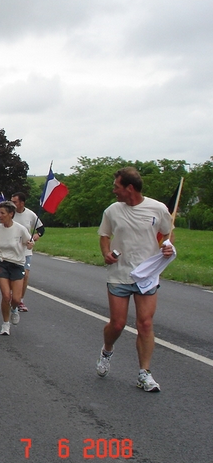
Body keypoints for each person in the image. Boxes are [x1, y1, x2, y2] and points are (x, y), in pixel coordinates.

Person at [96, 167, 173, 392]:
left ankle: (144, 373)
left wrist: (167, 246)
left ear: (129, 188)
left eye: (116, 187)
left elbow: (168, 233)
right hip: (119, 274)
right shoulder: (112, 211)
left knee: (145, 323)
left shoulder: (158, 208)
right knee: (118, 324)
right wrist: (105, 253)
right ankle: (107, 350)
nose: (114, 191)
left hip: (147, 274)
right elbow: (104, 236)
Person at [0, 201, 34, 335]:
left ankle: (14, 309)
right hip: (2, 263)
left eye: (2, 213)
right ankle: (5, 324)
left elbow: (29, 243)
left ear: (11, 214)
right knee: (6, 296)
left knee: (16, 299)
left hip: (17, 264)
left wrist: (29, 244)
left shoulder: (20, 229)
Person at [10, 192, 44, 312]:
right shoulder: (10, 214)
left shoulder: (30, 214)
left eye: (15, 202)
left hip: (26, 250)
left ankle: (20, 300)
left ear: (22, 203)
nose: (12, 204)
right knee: (12, 277)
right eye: (11, 201)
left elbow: (41, 228)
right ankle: (12, 296)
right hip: (11, 251)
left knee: (25, 276)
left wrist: (37, 235)